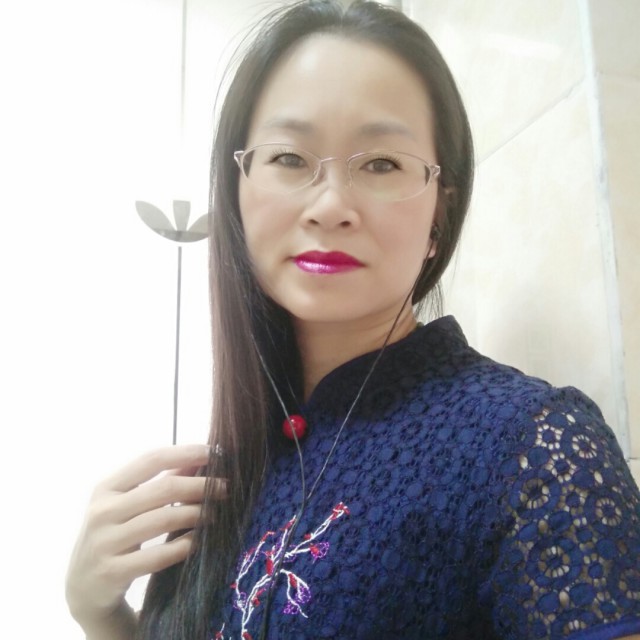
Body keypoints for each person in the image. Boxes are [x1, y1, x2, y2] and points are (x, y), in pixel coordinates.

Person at [65, 1, 640, 639]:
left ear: (439, 212)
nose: (331, 205)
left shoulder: (534, 445)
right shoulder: (234, 464)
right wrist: (102, 614)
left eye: (381, 164)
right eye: (289, 158)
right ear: (237, 189)